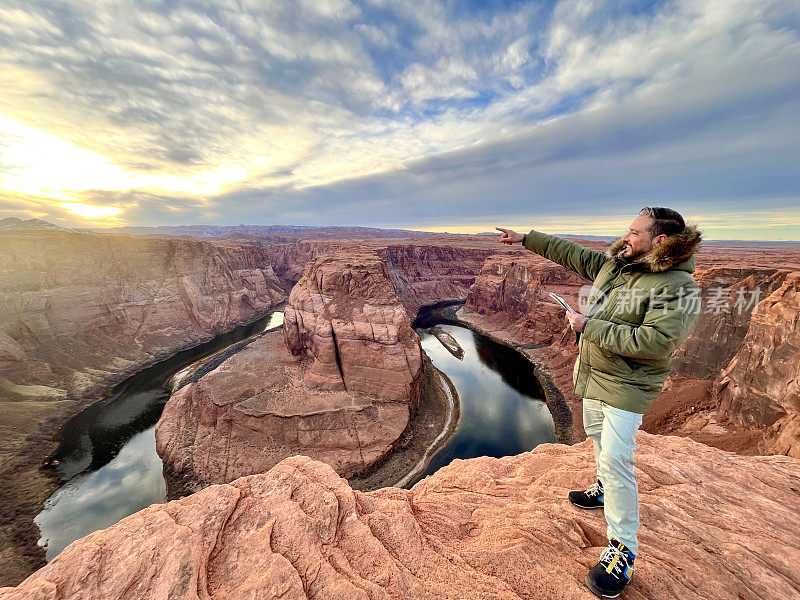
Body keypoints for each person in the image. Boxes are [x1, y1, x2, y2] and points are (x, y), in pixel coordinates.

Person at [496, 207, 702, 598]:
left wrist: (588, 326)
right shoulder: (620, 264)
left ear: (660, 240)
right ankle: (604, 489)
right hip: (594, 374)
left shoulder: (678, 287)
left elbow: (655, 342)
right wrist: (526, 239)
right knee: (594, 435)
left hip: (628, 384)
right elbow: (575, 255)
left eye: (634, 231)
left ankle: (622, 549)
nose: (626, 236)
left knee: (616, 458)